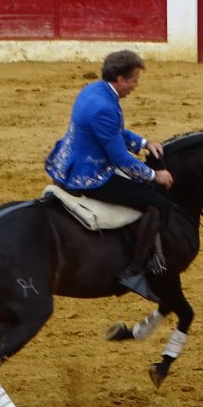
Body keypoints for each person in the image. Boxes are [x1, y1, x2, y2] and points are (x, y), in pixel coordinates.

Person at [45, 49, 174, 298]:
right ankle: (134, 272)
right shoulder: (104, 107)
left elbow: (113, 132)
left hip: (69, 161)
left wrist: (144, 143)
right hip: (87, 174)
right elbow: (119, 158)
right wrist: (154, 176)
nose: (136, 85)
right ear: (120, 79)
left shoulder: (94, 90)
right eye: (134, 79)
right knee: (156, 203)